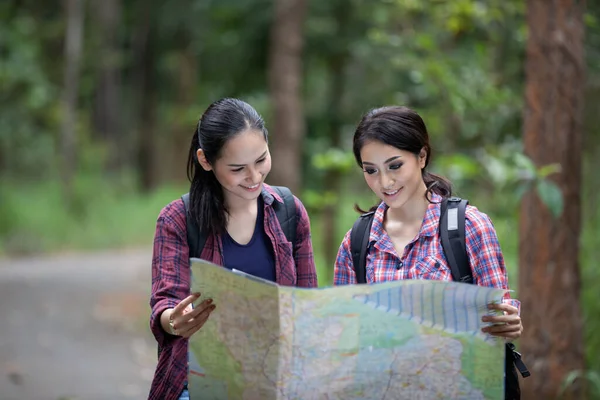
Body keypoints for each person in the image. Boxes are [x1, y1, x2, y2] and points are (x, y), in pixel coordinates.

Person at [334, 107, 523, 396]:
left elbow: (497, 323)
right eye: (371, 170)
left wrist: (508, 322)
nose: (384, 182)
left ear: (421, 156)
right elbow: (347, 337)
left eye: (394, 165)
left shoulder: (468, 226)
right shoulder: (356, 243)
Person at [148, 98, 318, 400]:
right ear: (206, 161)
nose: (254, 177)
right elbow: (165, 305)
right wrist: (175, 319)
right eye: (238, 168)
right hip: (200, 383)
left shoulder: (289, 212)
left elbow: (307, 305)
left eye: (261, 160)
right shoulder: (177, 220)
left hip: (272, 381)